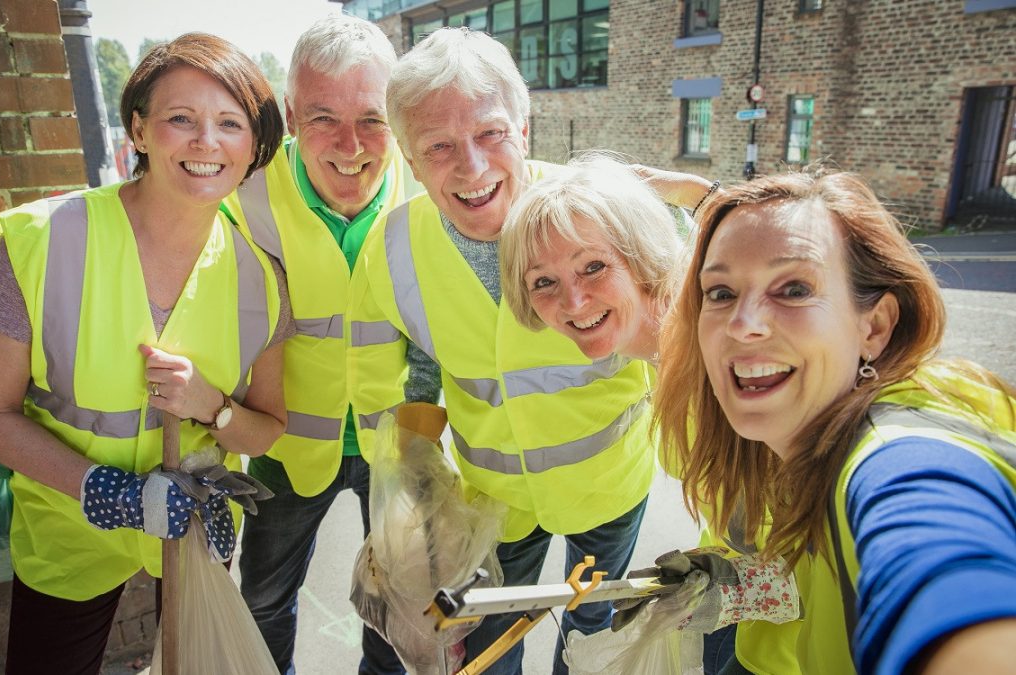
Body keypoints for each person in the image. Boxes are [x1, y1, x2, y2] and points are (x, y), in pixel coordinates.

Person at [348, 27, 714, 675]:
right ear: (406, 153)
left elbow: (687, 325)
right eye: (438, 145)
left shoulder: (598, 210)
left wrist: (709, 201)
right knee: (491, 642)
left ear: (523, 126)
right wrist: (421, 491)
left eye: (490, 133)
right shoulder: (393, 245)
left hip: (607, 490)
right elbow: (390, 384)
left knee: (591, 623)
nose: (472, 165)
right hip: (498, 502)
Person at [0, 34, 289, 674]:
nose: (206, 142)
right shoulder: (42, 242)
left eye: (230, 123)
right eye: (179, 119)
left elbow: (267, 429)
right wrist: (105, 491)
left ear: (254, 147)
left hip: (196, 521)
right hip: (67, 522)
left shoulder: (262, 277)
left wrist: (213, 408)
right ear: (138, 128)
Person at [654, 169, 1016, 674]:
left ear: (875, 326)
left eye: (795, 289)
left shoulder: (896, 447)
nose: (743, 323)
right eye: (720, 293)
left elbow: (939, 554)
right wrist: (732, 584)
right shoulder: (789, 426)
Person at [499, 156, 801, 675]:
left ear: (640, 256)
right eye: (543, 282)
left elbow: (834, 547)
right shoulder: (657, 359)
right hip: (764, 636)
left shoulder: (725, 351)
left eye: (593, 266)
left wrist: (738, 590)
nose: (572, 300)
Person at [219, 15, 408, 675]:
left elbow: (526, 175)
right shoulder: (243, 192)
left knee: (397, 605)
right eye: (324, 116)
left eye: (373, 118)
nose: (351, 144)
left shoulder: (433, 181)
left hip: (396, 445)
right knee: (264, 596)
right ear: (292, 114)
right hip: (284, 443)